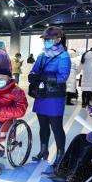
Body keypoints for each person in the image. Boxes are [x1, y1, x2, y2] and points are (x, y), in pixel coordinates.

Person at [28, 26, 71, 168]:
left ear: (58, 39)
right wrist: (32, 76)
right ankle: (43, 150)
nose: (46, 42)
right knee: (43, 126)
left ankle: (60, 155)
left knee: (56, 127)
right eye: (45, 39)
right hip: (42, 95)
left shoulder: (64, 56)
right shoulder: (42, 55)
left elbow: (63, 77)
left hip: (55, 96)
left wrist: (45, 77)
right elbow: (34, 71)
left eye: (49, 39)